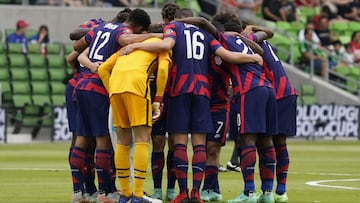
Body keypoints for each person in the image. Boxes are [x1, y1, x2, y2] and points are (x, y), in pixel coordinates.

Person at [119, 10, 263, 203]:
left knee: (179, 143)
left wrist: (134, 45)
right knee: (199, 144)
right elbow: (226, 55)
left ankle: (182, 193)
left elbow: (166, 44)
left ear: (176, 19)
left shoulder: (173, 27)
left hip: (180, 89)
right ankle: (196, 193)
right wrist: (253, 58)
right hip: (202, 91)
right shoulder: (204, 34)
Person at [72, 8, 156, 203]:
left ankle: (78, 192)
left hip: (81, 85)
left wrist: (90, 60)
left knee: (81, 139)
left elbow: (77, 47)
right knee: (103, 140)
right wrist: (158, 35)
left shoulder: (100, 28)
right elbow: (127, 41)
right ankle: (105, 193)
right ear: (139, 28)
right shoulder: (123, 32)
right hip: (98, 86)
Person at [96, 22, 170, 203]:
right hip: (137, 87)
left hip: (116, 87)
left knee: (122, 142)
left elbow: (103, 69)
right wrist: (158, 98)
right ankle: (137, 194)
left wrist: (113, 90)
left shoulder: (128, 48)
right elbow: (162, 70)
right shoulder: (160, 47)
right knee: (142, 140)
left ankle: (125, 194)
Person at [246, 25, 298, 203]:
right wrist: (252, 27)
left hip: (274, 93)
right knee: (280, 143)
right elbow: (270, 31)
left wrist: (246, 31)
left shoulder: (249, 42)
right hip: (287, 91)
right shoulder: (265, 42)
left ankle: (267, 191)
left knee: (264, 142)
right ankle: (281, 192)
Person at [150, 2, 179, 202]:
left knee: (163, 143)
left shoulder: (177, 38)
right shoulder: (158, 35)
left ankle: (167, 189)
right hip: (165, 96)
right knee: (167, 143)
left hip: (169, 95)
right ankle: (161, 189)